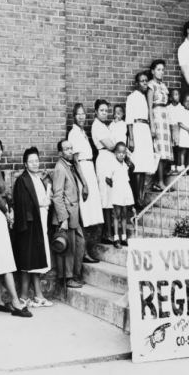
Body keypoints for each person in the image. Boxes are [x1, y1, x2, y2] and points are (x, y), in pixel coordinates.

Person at [0, 138, 32, 318]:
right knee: (5, 257)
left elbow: (4, 193)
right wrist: (7, 211)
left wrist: (9, 208)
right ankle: (16, 302)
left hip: (2, 213)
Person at [12, 147, 53, 308]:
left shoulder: (38, 179)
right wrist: (40, 204)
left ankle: (37, 295)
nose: (35, 164)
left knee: (36, 260)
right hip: (29, 226)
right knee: (28, 261)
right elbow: (22, 204)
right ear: (25, 164)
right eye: (31, 161)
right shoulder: (23, 180)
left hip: (40, 223)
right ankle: (24, 296)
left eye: (36, 160)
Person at [67, 103, 102, 262]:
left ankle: (89, 250)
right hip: (83, 173)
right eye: (78, 114)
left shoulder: (82, 132)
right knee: (86, 214)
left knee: (92, 213)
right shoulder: (74, 133)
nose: (81, 117)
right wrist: (85, 184)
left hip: (90, 168)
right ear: (74, 116)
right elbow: (75, 161)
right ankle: (84, 253)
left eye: (83, 114)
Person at [52, 140, 85, 289]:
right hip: (66, 215)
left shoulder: (70, 166)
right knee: (68, 248)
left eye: (71, 148)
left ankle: (74, 275)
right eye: (66, 149)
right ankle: (67, 278)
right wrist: (63, 218)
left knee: (79, 243)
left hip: (74, 214)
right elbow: (57, 196)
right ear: (60, 153)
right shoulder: (60, 168)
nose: (70, 151)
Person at [126, 71, 155, 211]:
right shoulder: (132, 97)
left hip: (145, 130)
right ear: (136, 83)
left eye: (146, 81)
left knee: (143, 166)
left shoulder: (145, 97)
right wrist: (131, 139)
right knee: (137, 166)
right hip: (136, 130)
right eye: (142, 81)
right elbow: (129, 119)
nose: (144, 83)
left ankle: (141, 197)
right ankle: (137, 199)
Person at [91, 99, 116, 242]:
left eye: (106, 111)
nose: (105, 113)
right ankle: (106, 233)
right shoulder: (97, 126)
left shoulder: (104, 126)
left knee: (111, 196)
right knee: (106, 197)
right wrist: (117, 145)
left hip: (109, 159)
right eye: (102, 110)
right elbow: (111, 146)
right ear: (96, 112)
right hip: (104, 159)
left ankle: (111, 230)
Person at [147, 59, 173, 191]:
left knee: (165, 152)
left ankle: (160, 181)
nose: (161, 72)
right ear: (152, 71)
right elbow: (150, 107)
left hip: (165, 118)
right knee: (159, 152)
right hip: (157, 118)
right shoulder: (151, 86)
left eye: (163, 70)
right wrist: (152, 125)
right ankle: (159, 181)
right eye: (158, 69)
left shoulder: (163, 86)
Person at [105, 142, 134, 247]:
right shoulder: (112, 164)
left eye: (123, 153)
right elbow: (107, 179)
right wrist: (115, 186)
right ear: (115, 153)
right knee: (117, 215)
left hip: (125, 191)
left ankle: (124, 237)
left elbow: (129, 175)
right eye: (119, 153)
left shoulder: (126, 164)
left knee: (124, 215)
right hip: (117, 192)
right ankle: (116, 237)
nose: (121, 155)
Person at [166, 89, 184, 174]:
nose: (177, 96)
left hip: (178, 129)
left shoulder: (181, 108)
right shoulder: (167, 108)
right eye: (175, 94)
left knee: (178, 149)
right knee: (171, 149)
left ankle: (179, 167)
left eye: (178, 94)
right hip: (170, 128)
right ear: (170, 98)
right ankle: (172, 167)